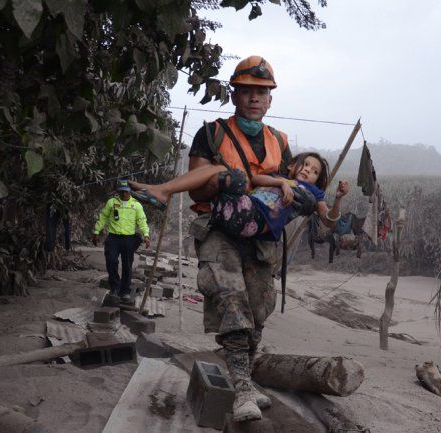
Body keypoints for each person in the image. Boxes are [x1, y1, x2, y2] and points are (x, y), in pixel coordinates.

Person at [163, 56, 346, 422]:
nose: (255, 98)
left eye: (262, 92)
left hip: (261, 237)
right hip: (220, 229)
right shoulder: (211, 133)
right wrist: (223, 182)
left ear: (270, 100)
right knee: (231, 298)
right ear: (235, 94)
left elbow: (294, 185)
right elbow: (195, 183)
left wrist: (314, 199)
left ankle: (244, 376)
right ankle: (242, 388)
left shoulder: (279, 141)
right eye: (247, 90)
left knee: (259, 307)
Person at [129, 152, 349, 240]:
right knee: (220, 172)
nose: (309, 170)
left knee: (227, 175)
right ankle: (163, 191)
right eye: (306, 164)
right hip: (240, 209)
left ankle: (163, 191)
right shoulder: (279, 178)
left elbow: (328, 220)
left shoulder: (312, 191)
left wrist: (338, 198)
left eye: (315, 171)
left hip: (254, 221)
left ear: (317, 180)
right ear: (292, 165)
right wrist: (282, 181)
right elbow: (256, 179)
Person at [92, 180, 150, 304]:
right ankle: (114, 288)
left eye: (126, 191)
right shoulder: (112, 203)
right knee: (111, 261)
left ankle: (125, 292)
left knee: (127, 266)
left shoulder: (136, 205)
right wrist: (96, 232)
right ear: (118, 191)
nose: (123, 194)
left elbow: (142, 221)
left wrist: (146, 235)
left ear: (130, 192)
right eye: (121, 191)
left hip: (129, 239)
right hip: (113, 238)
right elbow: (103, 217)